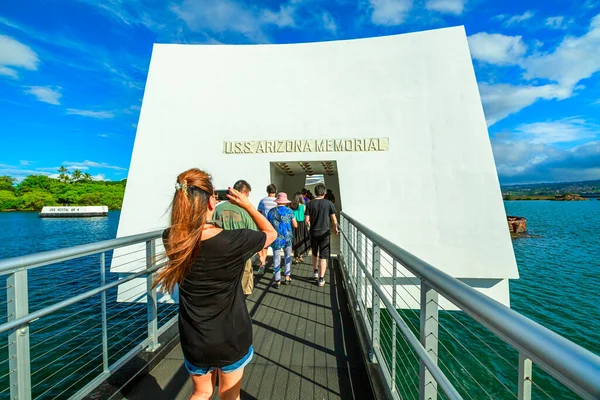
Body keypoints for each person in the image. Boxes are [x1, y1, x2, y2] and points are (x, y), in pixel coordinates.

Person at [156, 168, 276, 400]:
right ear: (211, 202)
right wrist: (248, 206)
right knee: (230, 395)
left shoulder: (171, 239)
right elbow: (269, 234)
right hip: (230, 335)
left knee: (201, 392)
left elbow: (187, 231)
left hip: (194, 335)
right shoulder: (233, 240)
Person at [214, 180, 257, 297]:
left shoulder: (218, 208)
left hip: (221, 251)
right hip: (241, 251)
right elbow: (253, 231)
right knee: (244, 280)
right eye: (247, 194)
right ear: (243, 193)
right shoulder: (246, 210)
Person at [305, 183, 338, 287]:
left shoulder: (310, 204)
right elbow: (333, 218)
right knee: (323, 256)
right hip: (324, 233)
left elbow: (307, 220)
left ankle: (315, 271)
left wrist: (310, 225)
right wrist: (335, 227)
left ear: (315, 193)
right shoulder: (329, 203)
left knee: (314, 253)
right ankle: (321, 278)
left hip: (313, 233)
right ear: (324, 193)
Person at [266, 192, 297, 288]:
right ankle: (287, 277)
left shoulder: (271, 212)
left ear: (277, 201)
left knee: (276, 258)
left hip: (276, 238)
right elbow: (295, 225)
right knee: (288, 257)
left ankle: (277, 280)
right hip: (287, 238)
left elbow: (268, 224)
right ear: (286, 202)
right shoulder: (290, 211)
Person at [257, 184, 277, 274]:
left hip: (265, 226)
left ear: (267, 191)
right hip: (276, 226)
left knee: (264, 246)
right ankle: (276, 269)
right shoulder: (278, 201)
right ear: (275, 191)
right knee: (276, 247)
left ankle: (262, 265)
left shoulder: (262, 201)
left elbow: (259, 213)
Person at [290, 191, 309, 264]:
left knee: (295, 238)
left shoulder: (291, 206)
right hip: (302, 224)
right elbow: (304, 214)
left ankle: (296, 257)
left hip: (294, 223)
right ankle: (301, 255)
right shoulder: (303, 206)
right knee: (302, 238)